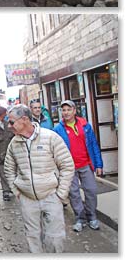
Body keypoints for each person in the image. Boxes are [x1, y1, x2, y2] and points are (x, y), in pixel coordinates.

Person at [4, 103, 75, 254]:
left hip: (51, 196)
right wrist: (17, 191)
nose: (9, 126)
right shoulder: (13, 144)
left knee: (55, 239)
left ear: (24, 120)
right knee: (32, 238)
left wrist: (61, 194)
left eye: (11, 122)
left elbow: (67, 166)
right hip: (27, 198)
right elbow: (8, 170)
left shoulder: (50, 137)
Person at [54, 99, 103, 232]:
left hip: (86, 164)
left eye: (69, 109)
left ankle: (92, 216)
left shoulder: (85, 125)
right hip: (69, 167)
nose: (66, 112)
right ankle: (80, 218)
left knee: (91, 190)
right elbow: (54, 150)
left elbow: (93, 145)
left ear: (74, 111)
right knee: (74, 193)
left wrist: (99, 164)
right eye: (63, 110)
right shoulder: (58, 129)